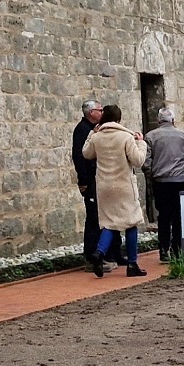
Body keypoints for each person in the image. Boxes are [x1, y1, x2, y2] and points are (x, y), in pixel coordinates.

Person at [81, 104, 147, 277]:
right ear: (119, 118)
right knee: (131, 223)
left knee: (109, 222)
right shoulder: (126, 136)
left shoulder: (97, 137)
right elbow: (138, 160)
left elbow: (86, 153)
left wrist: (91, 134)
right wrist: (141, 143)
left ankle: (99, 252)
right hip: (124, 185)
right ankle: (132, 264)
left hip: (104, 187)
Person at [71, 100, 117, 270]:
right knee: (93, 219)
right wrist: (83, 180)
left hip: (100, 179)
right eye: (99, 110)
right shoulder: (82, 130)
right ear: (91, 113)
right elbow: (79, 156)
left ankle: (109, 253)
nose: (102, 113)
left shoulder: (98, 129)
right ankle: (92, 256)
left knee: (105, 217)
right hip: (90, 180)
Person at [143, 106, 184, 261]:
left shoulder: (150, 136)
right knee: (179, 216)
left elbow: (146, 162)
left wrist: (151, 176)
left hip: (161, 182)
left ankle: (164, 250)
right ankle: (178, 249)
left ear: (158, 121)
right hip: (180, 181)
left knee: (163, 217)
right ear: (173, 120)